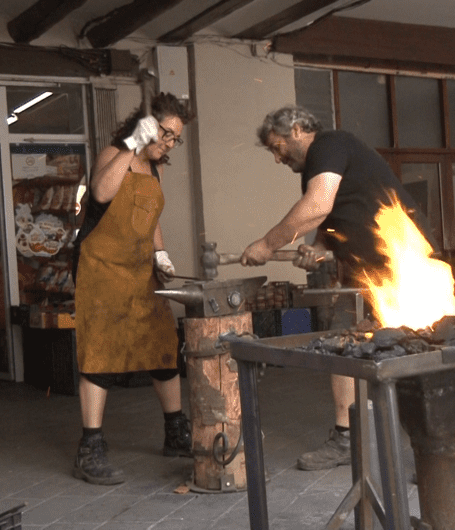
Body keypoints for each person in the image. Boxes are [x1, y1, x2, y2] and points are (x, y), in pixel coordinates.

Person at [241, 105, 430, 471]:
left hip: (402, 263)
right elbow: (333, 219)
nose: (278, 158)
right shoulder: (320, 164)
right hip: (361, 274)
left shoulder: (330, 144)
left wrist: (267, 244)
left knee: (417, 346)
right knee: (342, 344)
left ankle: (433, 442)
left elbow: (317, 205)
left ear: (297, 130)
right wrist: (318, 249)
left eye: (277, 147)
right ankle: (346, 438)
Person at [71, 92, 194, 485]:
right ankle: (90, 448)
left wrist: (161, 254)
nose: (170, 144)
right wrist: (132, 144)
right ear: (146, 126)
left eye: (176, 138)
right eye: (167, 134)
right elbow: (103, 193)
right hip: (102, 269)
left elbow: (150, 213)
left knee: (163, 348)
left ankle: (176, 432)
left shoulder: (155, 170)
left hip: (142, 271)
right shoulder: (114, 154)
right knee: (100, 352)